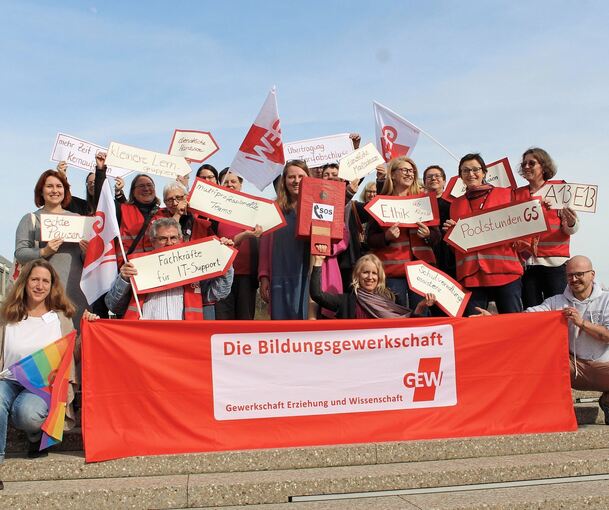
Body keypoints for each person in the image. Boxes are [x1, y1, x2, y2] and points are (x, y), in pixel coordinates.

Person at [475, 256, 609, 422]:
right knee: (537, 355)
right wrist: (493, 319)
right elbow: (525, 319)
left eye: (579, 274)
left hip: (604, 366)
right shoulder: (556, 302)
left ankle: (606, 401)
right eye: (569, 275)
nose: (574, 279)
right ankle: (545, 410)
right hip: (572, 367)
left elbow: (607, 336)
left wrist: (581, 323)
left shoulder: (607, 300)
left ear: (592, 275)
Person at [0, 260, 98, 487]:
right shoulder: (7, 314)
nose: (39, 285)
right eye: (34, 279)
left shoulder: (61, 317)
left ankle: (35, 436)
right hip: (7, 380)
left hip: (41, 386)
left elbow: (74, 353)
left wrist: (88, 328)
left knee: (25, 414)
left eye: (45, 281)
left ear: (52, 285)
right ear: (24, 283)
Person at [105, 218, 233, 320]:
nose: (169, 243)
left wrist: (225, 259)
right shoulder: (136, 267)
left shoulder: (194, 266)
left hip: (182, 338)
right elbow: (113, 306)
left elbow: (218, 293)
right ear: (153, 241)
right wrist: (124, 279)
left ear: (180, 239)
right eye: (163, 239)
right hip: (145, 339)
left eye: (173, 238)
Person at [444, 154, 523, 316]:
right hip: (471, 275)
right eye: (465, 171)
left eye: (475, 169)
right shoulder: (455, 205)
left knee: (513, 323)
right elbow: (455, 246)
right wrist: (451, 234)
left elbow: (521, 230)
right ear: (460, 176)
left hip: (505, 272)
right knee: (474, 328)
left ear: (484, 172)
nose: (470, 174)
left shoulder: (506, 194)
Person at [14, 170, 89, 327]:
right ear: (41, 191)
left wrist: (86, 252)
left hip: (75, 294)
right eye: (49, 186)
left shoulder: (77, 220)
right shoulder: (31, 219)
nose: (55, 190)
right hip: (41, 294)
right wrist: (44, 252)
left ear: (65, 190)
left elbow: (84, 260)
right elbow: (20, 253)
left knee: (73, 343)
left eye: (59, 186)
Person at [367, 156, 438, 308]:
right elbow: (370, 239)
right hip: (392, 271)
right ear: (392, 174)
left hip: (422, 272)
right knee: (396, 315)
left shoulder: (423, 201)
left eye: (412, 171)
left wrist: (428, 235)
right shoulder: (381, 202)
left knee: (422, 314)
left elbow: (436, 236)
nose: (409, 174)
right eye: (404, 170)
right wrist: (386, 237)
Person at [514, 148, 579, 307]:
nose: (526, 166)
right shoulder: (517, 195)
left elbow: (572, 228)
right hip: (528, 265)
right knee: (532, 311)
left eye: (531, 163)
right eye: (524, 164)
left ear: (543, 166)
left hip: (555, 264)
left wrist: (571, 222)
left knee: (558, 311)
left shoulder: (559, 189)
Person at [259, 160, 311, 319]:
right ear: (284, 180)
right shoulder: (273, 208)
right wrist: (264, 276)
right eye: (291, 177)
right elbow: (264, 245)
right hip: (280, 273)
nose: (296, 181)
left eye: (301, 176)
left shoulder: (316, 205)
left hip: (307, 272)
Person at [310, 252, 436, 319]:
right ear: (357, 276)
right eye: (365, 272)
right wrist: (318, 262)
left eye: (374, 273)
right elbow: (317, 295)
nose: (370, 277)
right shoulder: (345, 301)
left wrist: (420, 306)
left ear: (379, 277)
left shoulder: (392, 299)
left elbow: (407, 324)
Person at [214, 169, 262, 320]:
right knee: (223, 321)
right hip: (222, 275)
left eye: (233, 181)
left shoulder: (253, 209)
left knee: (245, 320)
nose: (230, 185)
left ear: (241, 184)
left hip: (246, 276)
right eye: (226, 182)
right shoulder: (213, 211)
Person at [423, 165, 456, 279]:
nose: (433, 178)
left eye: (437, 176)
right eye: (429, 177)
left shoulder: (454, 202)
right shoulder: (419, 204)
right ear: (424, 182)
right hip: (428, 251)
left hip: (450, 253)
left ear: (444, 181)